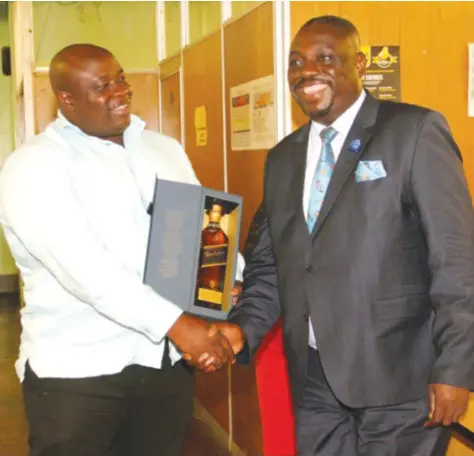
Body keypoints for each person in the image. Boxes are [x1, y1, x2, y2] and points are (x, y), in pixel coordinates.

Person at [213, 15, 474, 456]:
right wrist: (240, 331)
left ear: (360, 62)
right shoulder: (282, 158)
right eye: (296, 62)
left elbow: (455, 259)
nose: (306, 71)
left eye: (324, 58)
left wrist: (455, 368)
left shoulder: (412, 132)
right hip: (315, 379)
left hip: (401, 379)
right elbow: (274, 266)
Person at [0, 43, 242, 456]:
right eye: (102, 86)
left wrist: (225, 285)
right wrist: (182, 326)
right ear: (67, 99)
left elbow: (202, 226)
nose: (121, 91)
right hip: (79, 374)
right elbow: (87, 272)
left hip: (163, 365)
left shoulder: (163, 150)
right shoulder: (34, 165)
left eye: (121, 78)